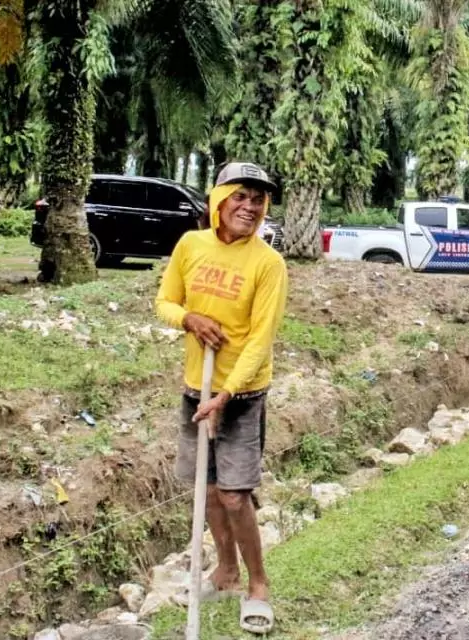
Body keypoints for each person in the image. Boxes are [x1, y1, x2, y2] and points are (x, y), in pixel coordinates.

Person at [155, 161, 288, 635]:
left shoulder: (268, 264)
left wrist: (227, 394)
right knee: (206, 491)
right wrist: (189, 319)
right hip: (196, 388)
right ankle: (225, 570)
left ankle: (258, 585)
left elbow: (261, 339)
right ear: (219, 200)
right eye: (241, 197)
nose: (249, 208)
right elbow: (165, 302)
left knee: (234, 495)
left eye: (258, 200)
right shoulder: (191, 246)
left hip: (243, 393)